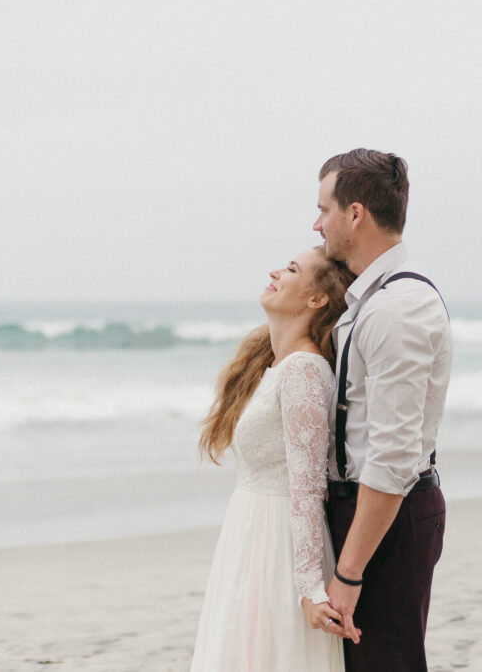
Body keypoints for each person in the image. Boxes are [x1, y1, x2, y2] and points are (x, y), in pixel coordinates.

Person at [313, 149, 453, 671]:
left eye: (324, 208)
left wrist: (349, 574)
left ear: (355, 214)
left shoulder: (399, 308)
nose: (316, 222)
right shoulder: (369, 301)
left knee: (386, 661)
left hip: (387, 514)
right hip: (364, 510)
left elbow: (393, 457)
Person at [190, 246, 357, 672]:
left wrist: (309, 589)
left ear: (316, 299)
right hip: (249, 533)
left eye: (291, 269)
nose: (275, 271)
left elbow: (306, 488)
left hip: (278, 546)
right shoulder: (277, 366)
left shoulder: (303, 371)